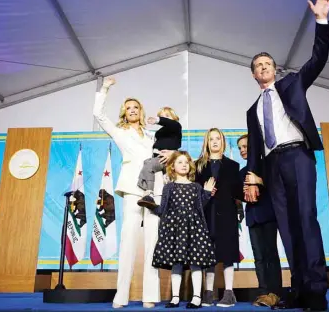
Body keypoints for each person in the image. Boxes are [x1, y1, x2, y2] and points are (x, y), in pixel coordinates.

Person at [244, 0, 329, 311]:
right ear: (254, 74)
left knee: (306, 219)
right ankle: (298, 289)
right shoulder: (251, 109)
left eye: (268, 63)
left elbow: (318, 59)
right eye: (259, 65)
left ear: (275, 68)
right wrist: (252, 177)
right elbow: (254, 148)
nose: (264, 67)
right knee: (286, 226)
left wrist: (321, 21)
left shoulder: (292, 83)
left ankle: (316, 292)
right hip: (272, 167)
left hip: (298, 156)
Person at [93, 77, 173, 309]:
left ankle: (150, 295)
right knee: (128, 241)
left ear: (141, 111)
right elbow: (98, 114)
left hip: (154, 190)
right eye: (128, 108)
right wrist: (105, 88)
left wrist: (169, 156)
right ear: (124, 113)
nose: (132, 110)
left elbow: (164, 156)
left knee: (152, 242)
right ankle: (121, 295)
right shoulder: (120, 132)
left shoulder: (152, 136)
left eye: (135, 107)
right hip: (131, 188)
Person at [142, 151, 217, 309]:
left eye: (186, 162)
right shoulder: (169, 187)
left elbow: (200, 208)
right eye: (179, 162)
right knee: (177, 262)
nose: (183, 165)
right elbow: (163, 209)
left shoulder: (196, 187)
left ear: (190, 166)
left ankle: (196, 297)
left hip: (194, 230)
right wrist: (150, 206)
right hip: (174, 230)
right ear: (172, 166)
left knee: (196, 262)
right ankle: (175, 297)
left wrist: (207, 193)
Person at [194, 128, 242, 308]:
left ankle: (229, 293)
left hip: (227, 214)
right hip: (205, 214)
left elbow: (237, 192)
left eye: (218, 139)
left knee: (227, 253)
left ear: (223, 142)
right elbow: (193, 192)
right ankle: (208, 292)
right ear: (206, 142)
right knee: (208, 253)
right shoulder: (198, 165)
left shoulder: (232, 166)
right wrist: (204, 193)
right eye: (211, 139)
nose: (215, 142)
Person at [237, 134, 282, 307]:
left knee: (271, 254)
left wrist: (259, 180)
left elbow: (276, 185)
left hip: (268, 214)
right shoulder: (241, 172)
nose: (242, 150)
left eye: (245, 146)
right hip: (252, 217)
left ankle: (275, 292)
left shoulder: (266, 165)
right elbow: (239, 195)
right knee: (258, 257)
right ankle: (263, 292)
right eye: (240, 147)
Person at [137, 107, 182, 207]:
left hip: (170, 159)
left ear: (174, 118)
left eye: (167, 116)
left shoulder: (176, 126)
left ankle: (150, 191)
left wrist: (158, 120)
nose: (164, 118)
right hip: (159, 158)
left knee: (149, 165)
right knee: (147, 163)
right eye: (161, 116)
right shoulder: (159, 133)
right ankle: (146, 188)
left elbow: (170, 123)